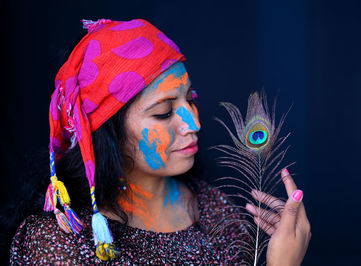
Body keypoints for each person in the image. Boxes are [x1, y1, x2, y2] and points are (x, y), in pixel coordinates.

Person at [8, 18, 310, 264]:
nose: (194, 124)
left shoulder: (213, 207)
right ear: (108, 133)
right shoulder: (58, 243)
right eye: (164, 112)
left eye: (190, 99)